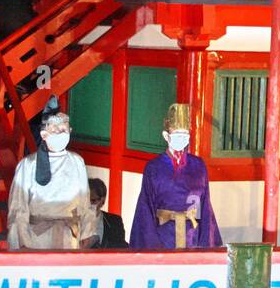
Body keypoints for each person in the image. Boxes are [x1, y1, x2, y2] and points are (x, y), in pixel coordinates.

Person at [129, 102, 221, 249]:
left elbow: (205, 206)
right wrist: (153, 248)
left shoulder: (198, 166)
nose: (182, 138)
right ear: (166, 136)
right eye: (177, 134)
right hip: (163, 238)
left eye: (185, 135)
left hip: (192, 237)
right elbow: (145, 208)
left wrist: (206, 245)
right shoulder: (154, 167)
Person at [5, 111, 97, 250]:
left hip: (68, 238)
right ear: (44, 134)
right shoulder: (28, 164)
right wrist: (23, 244)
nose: (60, 133)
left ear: (70, 131)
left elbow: (84, 202)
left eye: (64, 130)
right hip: (35, 240)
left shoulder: (77, 162)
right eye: (55, 129)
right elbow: (18, 208)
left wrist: (87, 234)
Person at [88, 177, 128, 249]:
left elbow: (121, 247)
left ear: (103, 201)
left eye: (93, 201)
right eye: (85, 200)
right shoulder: (75, 220)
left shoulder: (114, 221)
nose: (88, 204)